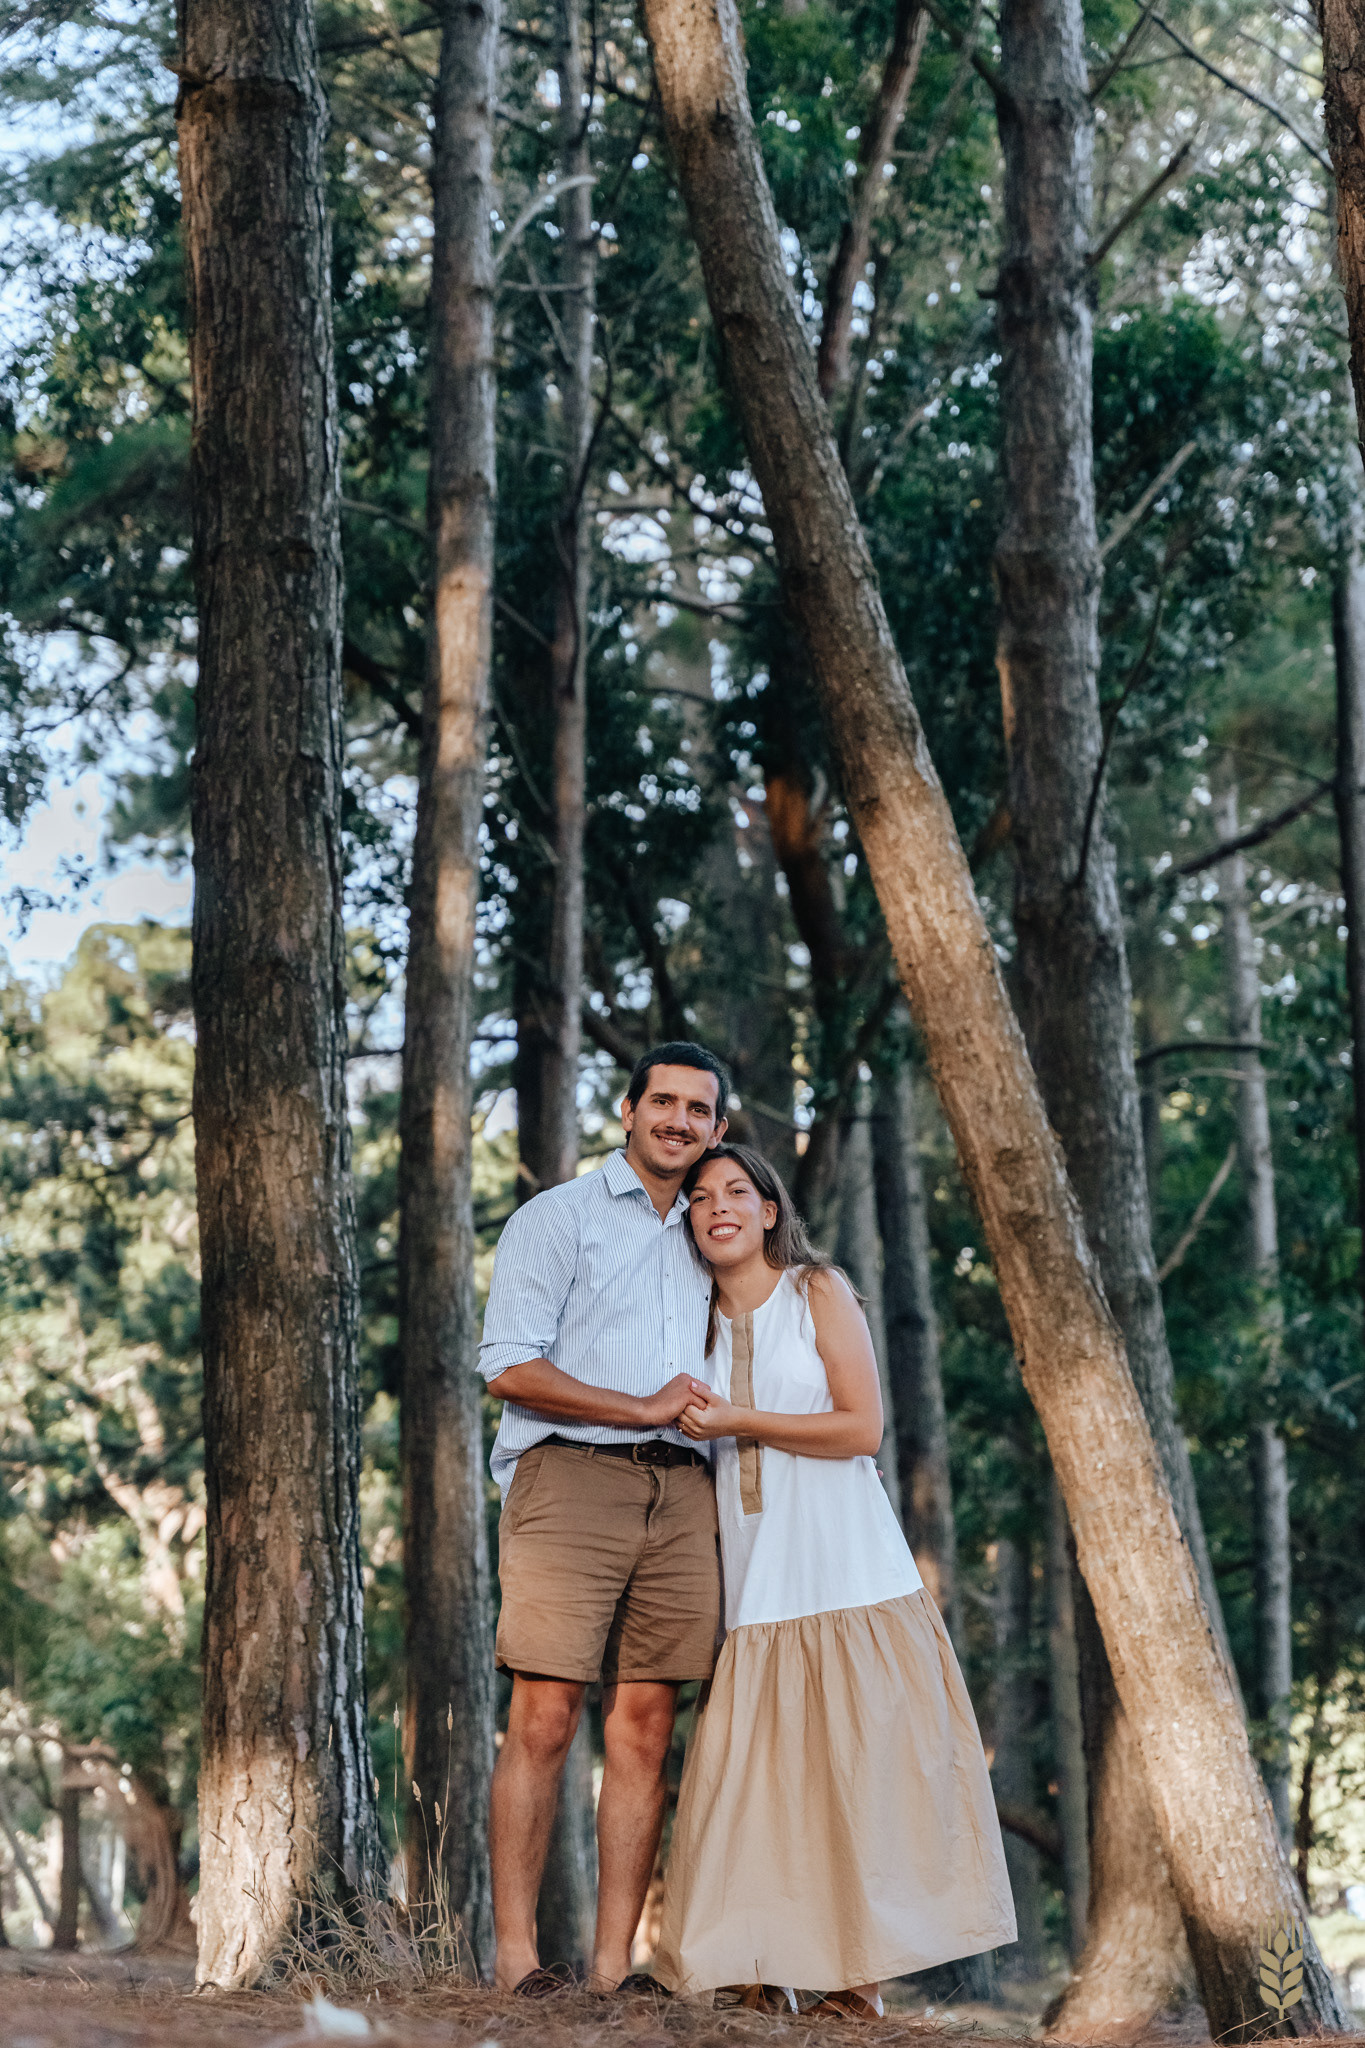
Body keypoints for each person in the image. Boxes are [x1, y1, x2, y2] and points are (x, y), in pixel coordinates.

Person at [653, 1143, 1016, 2018]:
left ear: (770, 1210)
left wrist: (742, 1418)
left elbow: (862, 1429)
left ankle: (855, 1985)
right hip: (754, 1575)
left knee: (858, 1775)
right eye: (701, 1197)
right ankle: (753, 1963)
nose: (719, 1207)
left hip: (844, 1566)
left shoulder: (816, 1290)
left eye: (738, 1191)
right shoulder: (685, 1316)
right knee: (760, 1779)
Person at [477, 1041, 731, 1996]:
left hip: (686, 1494)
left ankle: (609, 1972)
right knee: (543, 1719)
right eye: (661, 1102)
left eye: (697, 1111)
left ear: (717, 1128)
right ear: (627, 1111)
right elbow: (508, 1365)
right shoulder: (558, 1219)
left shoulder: (718, 1229)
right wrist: (639, 1406)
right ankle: (514, 1963)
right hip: (571, 1479)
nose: (678, 1122)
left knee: (645, 1728)